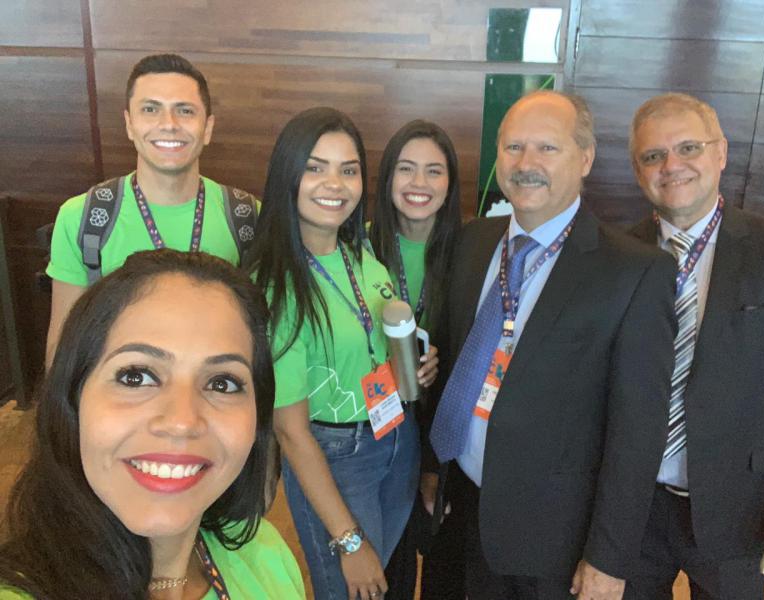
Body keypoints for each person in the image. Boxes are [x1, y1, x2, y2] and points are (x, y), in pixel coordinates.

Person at [426, 90, 677, 600]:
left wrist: (609, 558)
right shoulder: (473, 242)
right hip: (462, 508)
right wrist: (434, 468)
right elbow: (455, 365)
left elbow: (637, 433)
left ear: (585, 158)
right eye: (513, 147)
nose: (526, 164)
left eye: (547, 148)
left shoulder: (635, 272)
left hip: (553, 541)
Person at [0, 249, 304, 599]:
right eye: (136, 376)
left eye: (222, 383)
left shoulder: (265, 555)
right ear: (73, 395)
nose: (181, 422)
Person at [246, 107, 438, 600]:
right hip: (337, 456)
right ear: (288, 175)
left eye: (348, 170)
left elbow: (368, 352)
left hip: (396, 437)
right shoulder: (277, 284)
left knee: (383, 582)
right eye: (315, 167)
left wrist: (415, 367)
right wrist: (348, 541)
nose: (334, 184)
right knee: (354, 587)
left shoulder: (361, 256)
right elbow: (290, 431)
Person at [625, 92, 764, 600]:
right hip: (633, 509)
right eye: (653, 155)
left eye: (688, 148)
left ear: (721, 152)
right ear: (638, 171)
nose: (671, 165)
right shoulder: (618, 257)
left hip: (743, 506)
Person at [45, 53, 258, 367]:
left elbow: (263, 337)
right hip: (122, 392)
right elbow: (62, 351)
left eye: (185, 111)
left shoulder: (247, 216)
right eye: (150, 109)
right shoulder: (83, 218)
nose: (168, 124)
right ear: (129, 124)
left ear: (207, 128)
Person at [368, 120, 463, 600]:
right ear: (388, 178)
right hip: (377, 428)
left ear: (450, 184)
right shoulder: (359, 248)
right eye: (406, 169)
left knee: (446, 563)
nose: (418, 183)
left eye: (433, 171)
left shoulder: (471, 252)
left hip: (447, 431)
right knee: (389, 564)